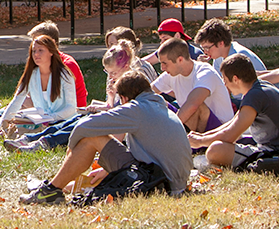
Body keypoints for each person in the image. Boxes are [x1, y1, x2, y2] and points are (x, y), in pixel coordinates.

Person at [19, 71, 193, 204]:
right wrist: (108, 168)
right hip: (175, 182)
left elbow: (84, 125)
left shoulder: (136, 108)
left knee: (91, 138)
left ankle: (50, 191)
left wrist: (71, 150)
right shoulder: (160, 107)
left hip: (157, 182)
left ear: (124, 99)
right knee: (98, 174)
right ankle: (57, 186)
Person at [5, 39, 146, 153]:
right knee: (75, 119)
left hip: (120, 129)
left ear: (126, 66)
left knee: (80, 124)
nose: (110, 77)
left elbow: (124, 117)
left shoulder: (131, 84)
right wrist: (103, 104)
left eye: (113, 73)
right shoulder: (116, 80)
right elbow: (112, 107)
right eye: (107, 72)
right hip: (109, 120)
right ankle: (31, 139)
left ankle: (44, 143)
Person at [188, 54, 279, 168]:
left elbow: (231, 134)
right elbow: (232, 123)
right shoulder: (258, 88)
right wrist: (202, 136)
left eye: (225, 80)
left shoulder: (254, 96)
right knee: (220, 145)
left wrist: (200, 142)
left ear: (235, 79)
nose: (225, 84)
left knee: (216, 150)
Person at [151, 38, 235, 133]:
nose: (162, 68)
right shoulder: (172, 73)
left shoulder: (205, 72)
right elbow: (147, 92)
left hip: (220, 129)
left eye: (165, 63)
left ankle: (178, 144)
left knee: (196, 106)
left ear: (180, 59)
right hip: (193, 125)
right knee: (156, 100)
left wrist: (169, 131)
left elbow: (193, 104)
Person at [0, 35, 78, 131]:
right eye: (34, 51)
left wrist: (51, 117)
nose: (36, 54)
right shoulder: (31, 74)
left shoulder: (64, 75)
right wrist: (1, 124)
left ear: (51, 52)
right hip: (40, 122)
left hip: (63, 123)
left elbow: (71, 108)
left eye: (40, 50)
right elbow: (17, 101)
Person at [27, 21, 88, 107]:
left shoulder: (67, 65)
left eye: (39, 42)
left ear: (52, 43)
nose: (34, 45)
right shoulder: (39, 63)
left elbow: (58, 101)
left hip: (72, 112)